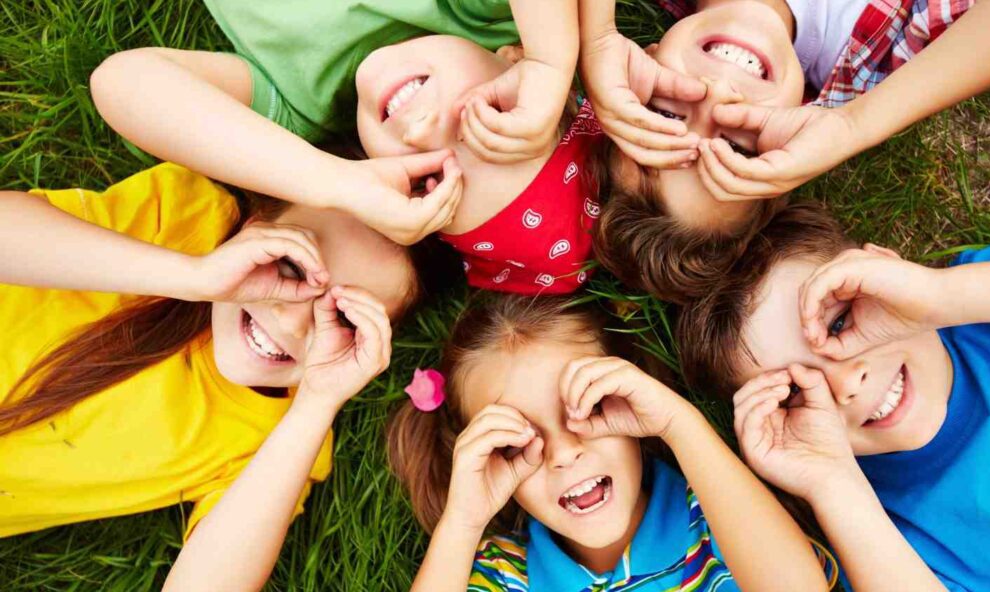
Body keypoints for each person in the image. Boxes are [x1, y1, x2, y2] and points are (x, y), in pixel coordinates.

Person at [0, 163, 413, 555]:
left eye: (343, 317)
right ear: (254, 229)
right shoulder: (184, 217)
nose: (292, 318)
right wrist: (192, 277)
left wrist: (318, 403)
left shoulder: (283, 438)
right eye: (292, 266)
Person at [90, 0, 606, 294]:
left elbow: (124, 82)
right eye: (486, 119)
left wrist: (336, 182)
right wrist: (551, 60)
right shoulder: (479, 13)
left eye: (426, 179)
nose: (422, 130)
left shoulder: (301, 106)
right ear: (512, 58)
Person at [676, 202, 990, 591]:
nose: (846, 385)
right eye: (796, 392)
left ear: (885, 271)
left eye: (839, 324)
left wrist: (939, 295)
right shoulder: (876, 534)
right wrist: (832, 484)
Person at [580, 0, 990, 303]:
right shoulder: (902, 54)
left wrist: (593, 34)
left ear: (642, 60)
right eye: (733, 144)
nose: (715, 96)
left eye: (664, 116)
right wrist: (853, 124)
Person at [386, 295, 836, 591]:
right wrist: (462, 522)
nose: (563, 454)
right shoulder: (505, 575)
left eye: (588, 409)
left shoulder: (722, 516)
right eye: (516, 442)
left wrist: (678, 422)